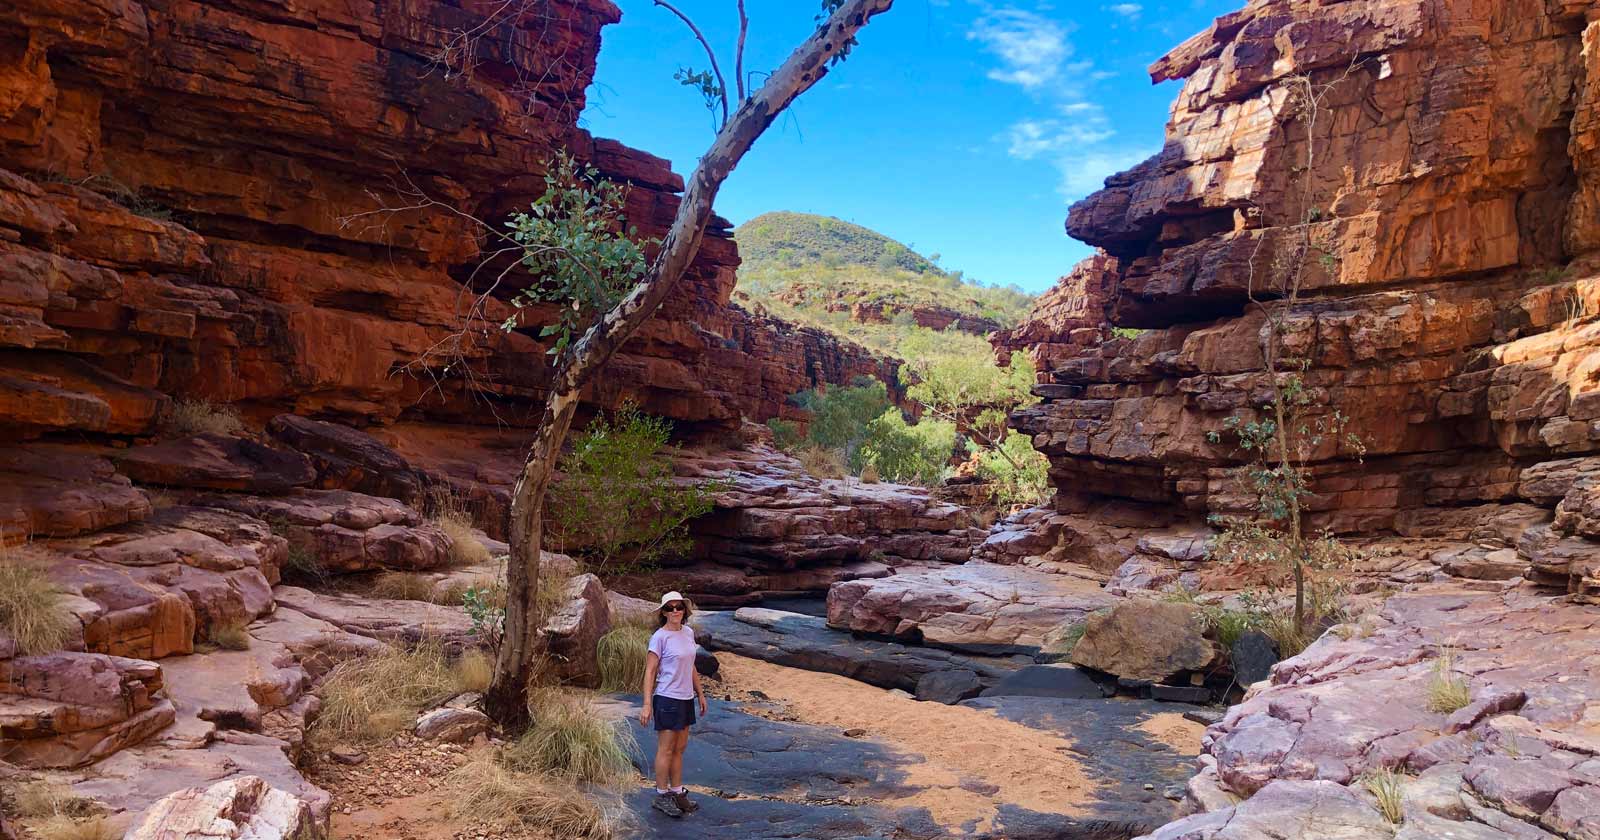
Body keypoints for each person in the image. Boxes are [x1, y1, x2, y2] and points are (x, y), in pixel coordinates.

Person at [639, 591, 707, 818]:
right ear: (663, 612)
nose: (675, 611)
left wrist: (701, 693)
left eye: (679, 607)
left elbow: (692, 666)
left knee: (679, 748)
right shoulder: (659, 637)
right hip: (667, 697)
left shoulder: (688, 633)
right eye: (670, 608)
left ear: (684, 611)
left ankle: (677, 792)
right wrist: (647, 704)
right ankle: (662, 795)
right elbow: (650, 671)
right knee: (666, 749)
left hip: (686, 698)